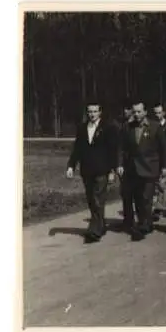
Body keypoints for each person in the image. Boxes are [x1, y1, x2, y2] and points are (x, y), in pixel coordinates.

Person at [117, 101, 166, 241]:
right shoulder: (127, 127)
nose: (136, 114)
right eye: (134, 112)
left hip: (149, 168)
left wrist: (165, 166)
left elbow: (164, 148)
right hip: (132, 169)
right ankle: (144, 222)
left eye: (139, 111)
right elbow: (121, 148)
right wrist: (120, 164)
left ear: (145, 112)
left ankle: (144, 225)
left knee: (146, 197)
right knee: (137, 197)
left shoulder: (155, 127)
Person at [66, 103, 119, 243]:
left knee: (98, 199)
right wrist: (71, 166)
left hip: (102, 170)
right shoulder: (82, 128)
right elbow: (77, 148)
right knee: (91, 199)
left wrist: (112, 170)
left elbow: (112, 150)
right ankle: (100, 226)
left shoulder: (108, 128)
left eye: (95, 111)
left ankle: (94, 230)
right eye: (90, 111)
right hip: (87, 170)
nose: (92, 114)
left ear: (100, 112)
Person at [151, 104, 166, 219]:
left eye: (159, 113)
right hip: (156, 160)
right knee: (165, 184)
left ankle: (158, 208)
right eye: (155, 113)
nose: (157, 115)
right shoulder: (152, 126)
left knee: (163, 184)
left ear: (164, 113)